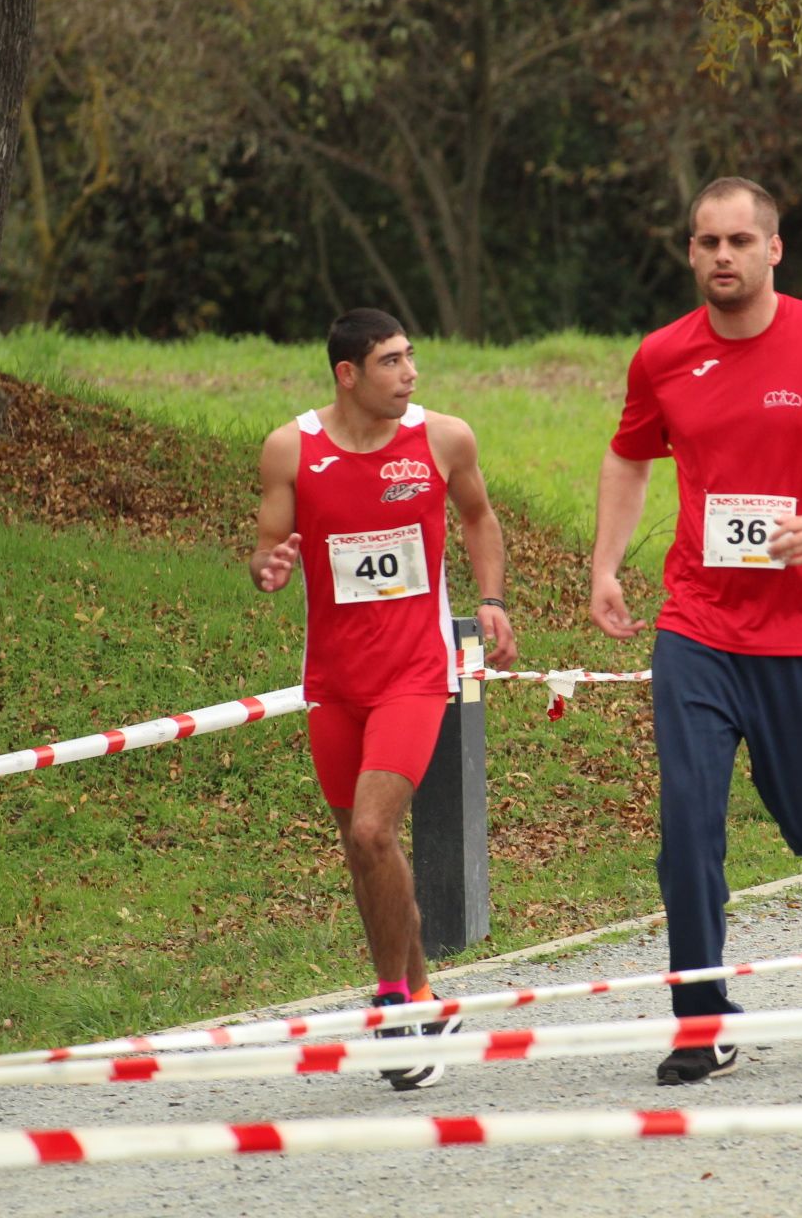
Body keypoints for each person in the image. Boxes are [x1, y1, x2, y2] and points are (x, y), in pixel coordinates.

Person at [590, 177, 802, 1086]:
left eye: (740, 241)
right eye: (708, 243)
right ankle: (702, 1018)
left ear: (775, 248)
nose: (723, 257)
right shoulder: (662, 357)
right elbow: (629, 453)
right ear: (690, 253)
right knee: (687, 824)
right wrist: (606, 565)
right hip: (698, 627)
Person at [250, 307, 517, 1090]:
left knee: (372, 831)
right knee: (365, 853)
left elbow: (479, 518)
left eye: (411, 357)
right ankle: (427, 994)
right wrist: (269, 569)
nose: (410, 374)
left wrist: (492, 598)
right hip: (334, 681)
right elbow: (269, 549)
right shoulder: (291, 449)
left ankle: (394, 1005)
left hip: (414, 672)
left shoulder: (443, 438)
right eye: (392, 362)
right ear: (348, 374)